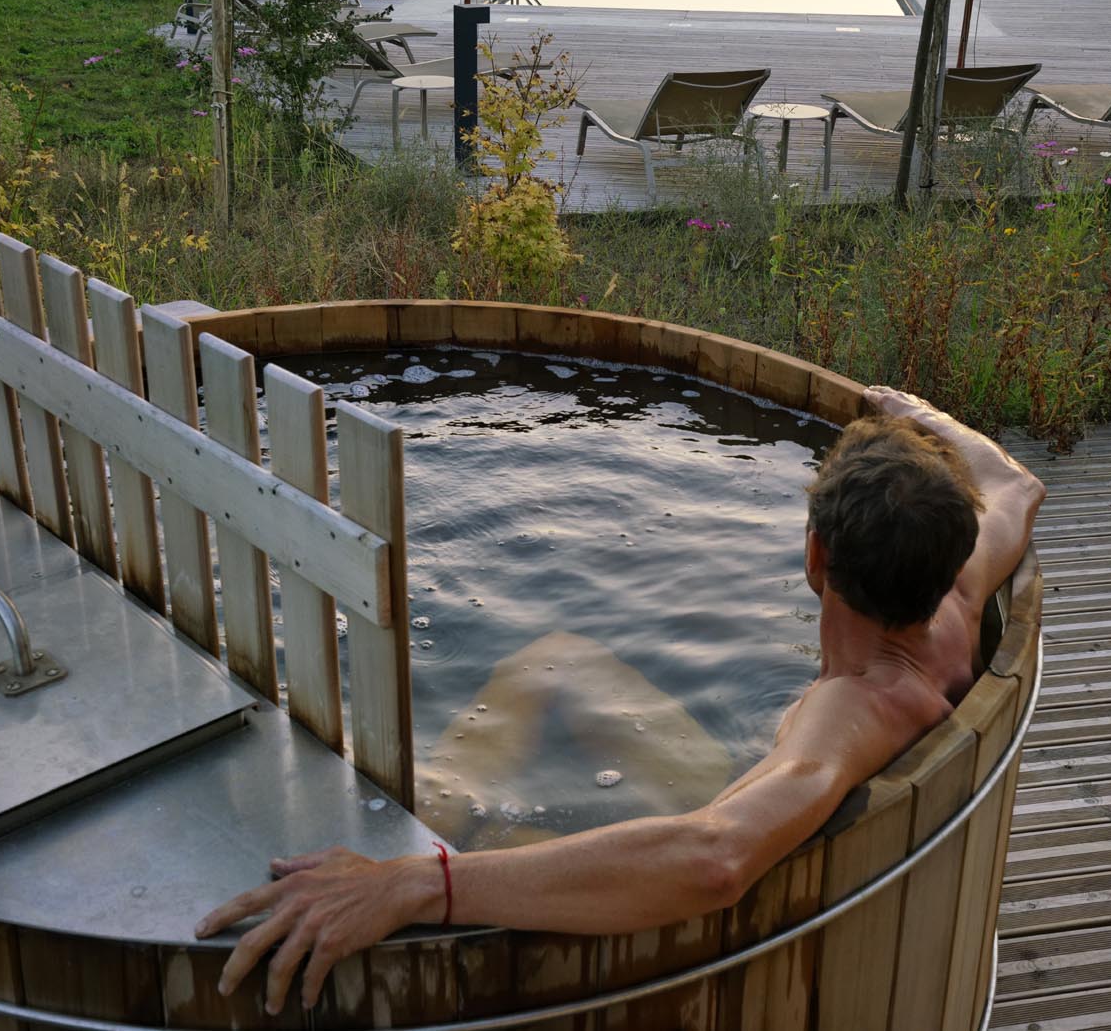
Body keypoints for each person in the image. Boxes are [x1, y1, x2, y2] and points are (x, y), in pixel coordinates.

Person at [195, 385, 1047, 1014]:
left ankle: (412, 845)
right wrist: (921, 420)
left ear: (815, 558)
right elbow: (1016, 486)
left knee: (520, 836)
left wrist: (422, 888)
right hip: (760, 777)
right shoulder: (958, 600)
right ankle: (438, 806)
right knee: (556, 663)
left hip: (738, 844)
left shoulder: (850, 712)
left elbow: (715, 857)